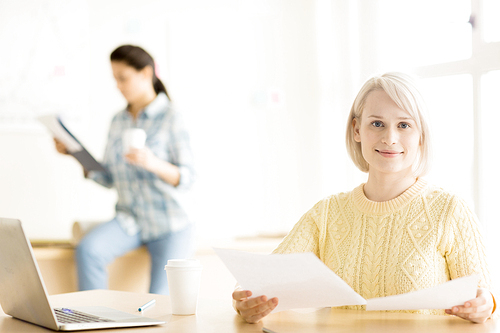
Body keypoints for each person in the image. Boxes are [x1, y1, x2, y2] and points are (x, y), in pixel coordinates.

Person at [232, 72, 496, 323]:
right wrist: (244, 300)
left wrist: (485, 305)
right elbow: (263, 278)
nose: (390, 138)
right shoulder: (327, 213)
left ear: (421, 135)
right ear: (357, 130)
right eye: (377, 124)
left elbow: (484, 295)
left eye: (404, 125)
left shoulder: (450, 210)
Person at [54, 44, 195, 295]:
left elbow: (186, 178)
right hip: (130, 219)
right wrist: (75, 155)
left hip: (169, 223)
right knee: (88, 250)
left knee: (159, 300)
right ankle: (94, 318)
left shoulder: (172, 117)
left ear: (146, 73)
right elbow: (109, 178)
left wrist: (153, 163)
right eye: (115, 79)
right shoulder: (118, 120)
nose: (118, 86)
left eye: (123, 78)